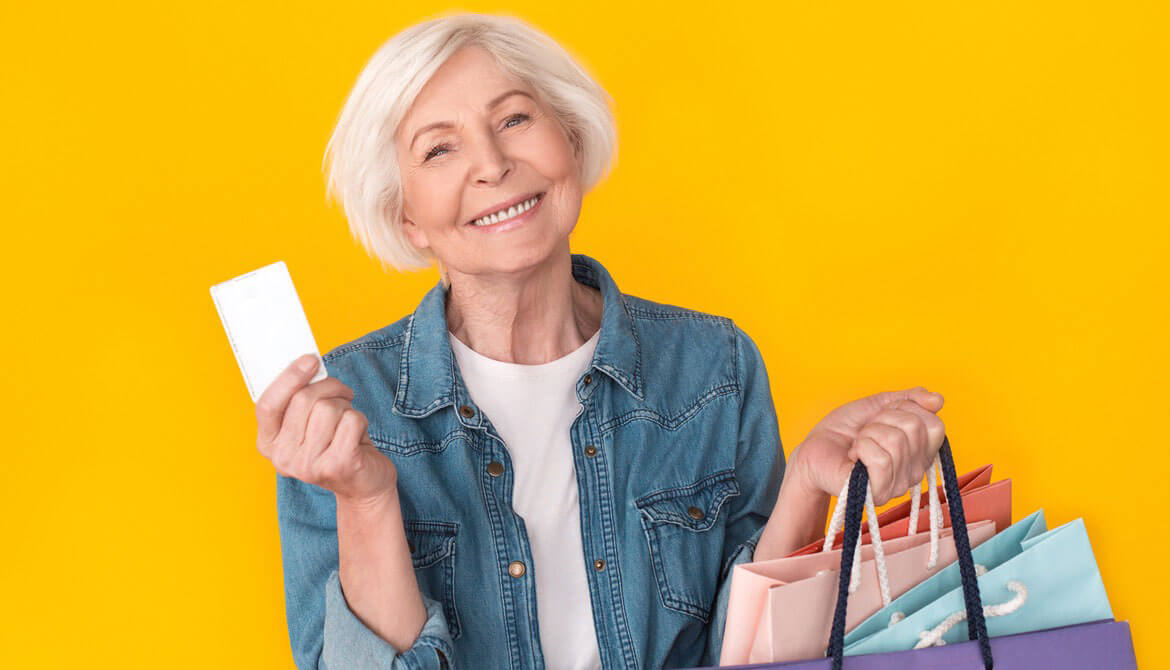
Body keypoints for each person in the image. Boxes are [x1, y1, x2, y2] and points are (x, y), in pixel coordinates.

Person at [256, 12, 947, 670]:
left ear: (573, 142)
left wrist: (805, 485)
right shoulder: (343, 410)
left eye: (515, 119)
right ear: (407, 217)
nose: (492, 165)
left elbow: (743, 654)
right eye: (440, 148)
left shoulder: (715, 367)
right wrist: (367, 499)